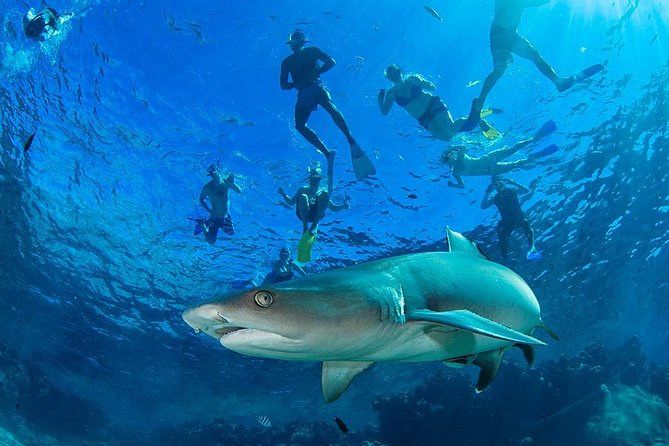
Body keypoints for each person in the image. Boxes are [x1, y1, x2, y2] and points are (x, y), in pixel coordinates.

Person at [471, 0, 604, 118]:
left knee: (534, 56)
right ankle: (479, 104)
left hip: (509, 34)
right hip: (499, 33)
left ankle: (559, 82)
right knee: (499, 70)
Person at [280, 30, 375, 185]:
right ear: (292, 43)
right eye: (295, 40)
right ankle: (327, 153)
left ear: (302, 42)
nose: (296, 43)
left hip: (316, 87)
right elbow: (283, 85)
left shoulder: (311, 52)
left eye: (298, 40)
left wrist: (314, 73)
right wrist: (296, 84)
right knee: (300, 126)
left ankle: (350, 139)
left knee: (329, 107)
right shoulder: (287, 62)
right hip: (303, 93)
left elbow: (331, 62)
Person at [377, 64, 499, 140]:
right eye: (391, 74)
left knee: (450, 129)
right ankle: (473, 120)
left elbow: (432, 88)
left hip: (432, 105)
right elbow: (384, 112)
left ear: (400, 72)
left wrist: (421, 82)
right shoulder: (391, 93)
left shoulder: (412, 79)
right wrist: (379, 99)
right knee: (447, 137)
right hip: (423, 118)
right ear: (389, 78)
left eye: (396, 72)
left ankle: (478, 120)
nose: (394, 75)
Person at [442, 119, 558, 188]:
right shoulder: (456, 172)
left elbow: (462, 147)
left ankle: (536, 137)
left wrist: (452, 147)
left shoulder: (459, 160)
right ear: (448, 162)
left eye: (450, 156)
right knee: (516, 164)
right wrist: (453, 185)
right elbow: (462, 185)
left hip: (489, 159)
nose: (451, 158)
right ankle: (535, 155)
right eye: (449, 158)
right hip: (491, 170)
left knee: (513, 149)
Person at [481, 176, 541, 260]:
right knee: (501, 232)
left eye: (499, 183)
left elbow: (526, 190)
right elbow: (483, 206)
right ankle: (504, 257)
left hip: (518, 217)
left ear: (503, 183)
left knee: (525, 223)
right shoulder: (495, 197)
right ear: (493, 187)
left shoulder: (511, 190)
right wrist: (487, 192)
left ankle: (532, 249)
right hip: (507, 221)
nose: (498, 186)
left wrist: (513, 182)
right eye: (495, 185)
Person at [277, 166, 349, 236]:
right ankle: (305, 227)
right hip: (302, 214)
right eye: (312, 179)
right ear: (309, 179)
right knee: (303, 196)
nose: (314, 181)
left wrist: (343, 207)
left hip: (316, 216)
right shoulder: (303, 189)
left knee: (325, 194)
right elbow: (291, 202)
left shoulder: (322, 192)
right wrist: (283, 194)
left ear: (320, 180)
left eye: (317, 179)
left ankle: (314, 225)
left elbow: (333, 208)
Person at [198, 164, 241, 244]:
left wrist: (232, 183)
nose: (214, 177)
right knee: (211, 241)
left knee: (231, 233)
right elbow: (201, 199)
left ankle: (223, 218)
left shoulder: (226, 182)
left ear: (219, 172)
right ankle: (202, 224)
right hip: (215, 217)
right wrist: (208, 210)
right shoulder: (208, 187)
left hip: (225, 216)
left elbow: (239, 191)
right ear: (210, 175)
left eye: (215, 174)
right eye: (212, 175)